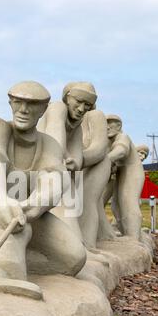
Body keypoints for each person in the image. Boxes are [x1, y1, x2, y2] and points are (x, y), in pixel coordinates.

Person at [0, 81, 86, 299]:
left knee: (73, 257)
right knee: (15, 225)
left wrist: (35, 206)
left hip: (26, 211)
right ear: (10, 103)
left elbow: (54, 180)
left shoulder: (49, 144)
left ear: (43, 109)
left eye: (32, 104)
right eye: (18, 102)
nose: (24, 110)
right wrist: (2, 201)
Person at [38, 82, 111, 249]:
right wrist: (64, 157)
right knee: (65, 198)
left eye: (87, 105)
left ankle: (83, 247)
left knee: (74, 202)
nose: (81, 108)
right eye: (78, 101)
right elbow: (54, 140)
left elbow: (77, 156)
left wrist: (73, 161)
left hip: (59, 171)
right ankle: (76, 248)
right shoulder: (58, 107)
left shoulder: (76, 127)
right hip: (44, 169)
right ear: (67, 97)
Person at [103, 114, 145, 240]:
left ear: (119, 126)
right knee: (116, 205)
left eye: (110, 124)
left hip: (132, 171)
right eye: (105, 124)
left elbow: (121, 151)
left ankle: (133, 236)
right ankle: (125, 232)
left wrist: (104, 160)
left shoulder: (122, 137)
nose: (107, 127)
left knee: (128, 202)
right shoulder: (110, 141)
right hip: (121, 172)